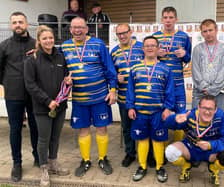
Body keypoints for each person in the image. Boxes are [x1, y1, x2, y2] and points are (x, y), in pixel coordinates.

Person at [61, 17, 117, 177]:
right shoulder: (65, 47)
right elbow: (59, 68)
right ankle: (85, 160)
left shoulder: (98, 44)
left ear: (86, 29)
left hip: (100, 97)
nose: (77, 30)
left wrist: (112, 90)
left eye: (80, 27)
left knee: (101, 128)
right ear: (70, 30)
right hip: (79, 99)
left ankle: (102, 158)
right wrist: (66, 79)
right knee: (83, 130)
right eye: (74, 27)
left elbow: (109, 69)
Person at [24, 25, 71, 187]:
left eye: (50, 38)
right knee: (43, 139)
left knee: (55, 138)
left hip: (60, 106)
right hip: (43, 108)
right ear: (39, 40)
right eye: (44, 38)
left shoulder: (60, 57)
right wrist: (47, 101)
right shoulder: (32, 59)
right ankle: (43, 168)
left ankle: (53, 163)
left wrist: (68, 81)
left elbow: (66, 76)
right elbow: (30, 85)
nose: (48, 41)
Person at [126, 36, 175, 183]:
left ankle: (160, 167)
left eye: (153, 45)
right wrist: (130, 107)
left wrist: (167, 108)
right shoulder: (135, 68)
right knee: (142, 140)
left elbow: (170, 91)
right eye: (147, 45)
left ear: (158, 48)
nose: (150, 48)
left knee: (158, 140)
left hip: (158, 112)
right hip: (140, 112)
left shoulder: (165, 69)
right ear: (143, 48)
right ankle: (142, 166)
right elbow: (130, 90)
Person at [0, 11, 39, 182]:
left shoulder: (36, 44)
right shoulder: (4, 46)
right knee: (15, 129)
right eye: (14, 22)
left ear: (27, 24)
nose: (17, 25)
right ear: (10, 25)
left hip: (34, 94)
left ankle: (38, 157)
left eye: (20, 22)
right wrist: (8, 83)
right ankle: (17, 163)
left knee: (36, 126)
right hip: (14, 94)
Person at [164, 95, 224, 186]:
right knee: (170, 152)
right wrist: (174, 120)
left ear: (215, 109)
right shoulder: (189, 114)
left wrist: (210, 145)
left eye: (211, 109)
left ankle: (213, 168)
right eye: (204, 108)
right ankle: (186, 166)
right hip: (191, 148)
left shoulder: (220, 116)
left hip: (211, 151)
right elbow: (167, 124)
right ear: (198, 108)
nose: (207, 112)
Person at [153, 6, 192, 142]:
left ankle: (179, 146)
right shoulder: (156, 37)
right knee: (160, 115)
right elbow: (148, 57)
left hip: (178, 84)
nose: (168, 21)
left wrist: (184, 54)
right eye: (165, 18)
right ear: (161, 19)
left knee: (181, 115)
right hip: (160, 85)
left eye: (171, 18)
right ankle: (161, 148)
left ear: (176, 19)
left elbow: (188, 59)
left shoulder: (183, 36)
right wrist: (156, 54)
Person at [110, 23, 144, 167]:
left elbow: (152, 64)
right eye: (119, 34)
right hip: (124, 97)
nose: (122, 36)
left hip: (143, 97)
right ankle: (130, 153)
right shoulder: (114, 52)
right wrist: (116, 77)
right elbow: (111, 74)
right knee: (127, 127)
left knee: (144, 125)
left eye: (124, 33)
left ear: (131, 32)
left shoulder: (142, 47)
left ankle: (147, 154)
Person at [192, 19, 224, 113]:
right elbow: (195, 70)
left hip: (218, 92)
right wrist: (204, 87)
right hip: (200, 91)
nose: (208, 33)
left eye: (210, 30)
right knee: (197, 119)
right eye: (205, 31)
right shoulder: (197, 49)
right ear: (201, 33)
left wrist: (212, 89)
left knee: (218, 120)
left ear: (216, 30)